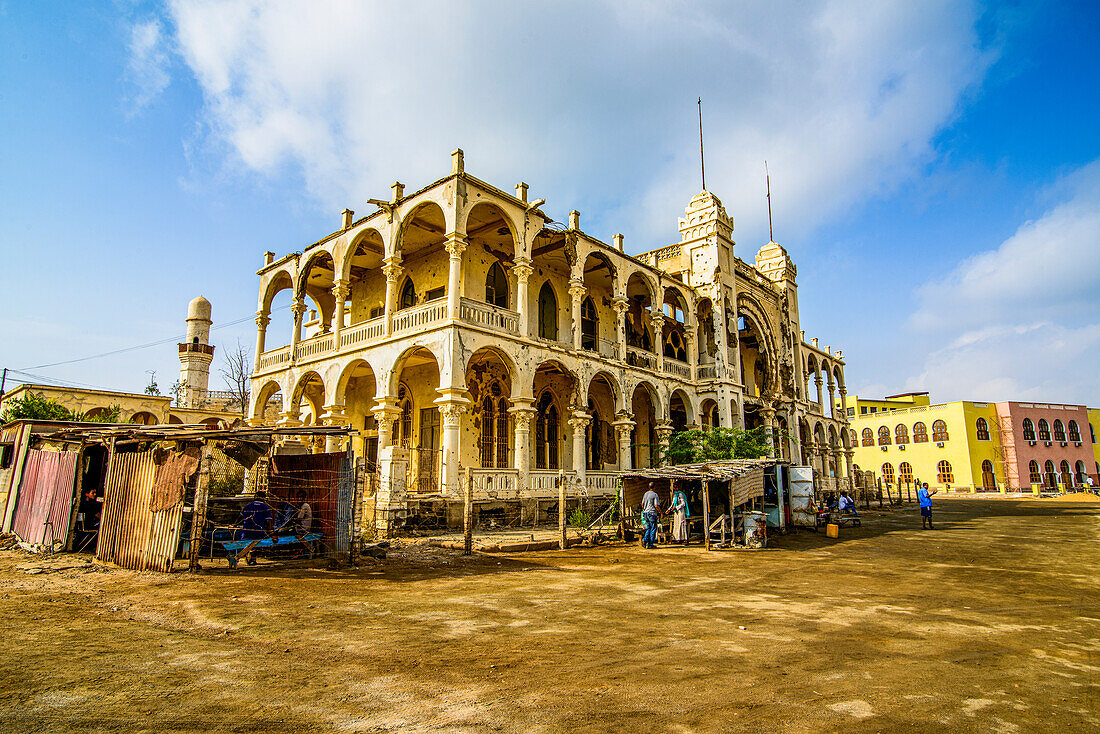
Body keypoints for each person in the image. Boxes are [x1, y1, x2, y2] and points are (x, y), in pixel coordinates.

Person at [640, 482, 662, 549]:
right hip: (652, 513)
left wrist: (644, 510)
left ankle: (644, 540)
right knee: (653, 529)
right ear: (654, 487)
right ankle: (650, 544)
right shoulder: (655, 495)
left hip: (646, 513)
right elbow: (656, 505)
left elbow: (642, 504)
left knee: (648, 528)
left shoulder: (646, 494)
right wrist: (661, 512)